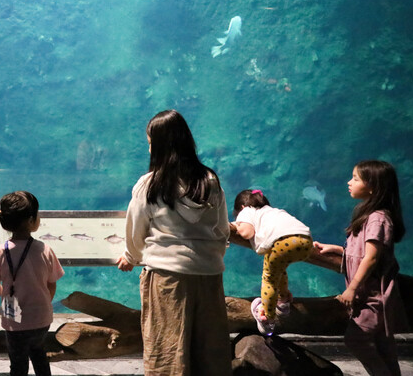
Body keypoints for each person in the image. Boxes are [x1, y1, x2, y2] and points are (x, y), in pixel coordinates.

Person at [116, 109, 231, 376]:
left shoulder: (150, 185)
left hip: (167, 278)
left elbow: (135, 231)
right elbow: (222, 229)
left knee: (168, 353)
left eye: (150, 143)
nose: (149, 149)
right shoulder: (209, 181)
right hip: (209, 275)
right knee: (209, 353)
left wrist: (131, 257)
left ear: (159, 145)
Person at [314, 161, 407, 376]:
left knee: (356, 339)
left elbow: (372, 258)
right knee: (384, 346)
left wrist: (352, 288)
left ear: (373, 186)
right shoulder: (370, 215)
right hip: (369, 294)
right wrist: (337, 249)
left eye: (355, 178)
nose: (349, 182)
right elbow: (363, 252)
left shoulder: (378, 219)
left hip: (374, 296)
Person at [0, 191, 64, 376]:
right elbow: (52, 285)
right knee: (39, 355)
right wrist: (43, 303)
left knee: (17, 363)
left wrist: (7, 294)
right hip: (41, 318)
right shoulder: (45, 250)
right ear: (31, 220)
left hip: (13, 320)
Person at [231, 189, 313, 335]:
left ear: (241, 207)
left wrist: (237, 224)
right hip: (306, 242)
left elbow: (247, 232)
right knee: (279, 270)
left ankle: (267, 318)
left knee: (269, 278)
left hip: (283, 242)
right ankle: (283, 301)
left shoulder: (247, 210)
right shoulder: (272, 211)